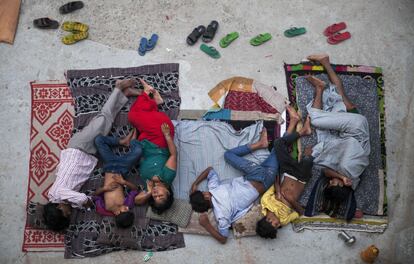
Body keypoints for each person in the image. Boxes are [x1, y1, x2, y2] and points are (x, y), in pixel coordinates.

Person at [44, 79, 139, 231]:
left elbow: (83, 199)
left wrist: (88, 204)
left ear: (60, 209)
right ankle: (123, 95)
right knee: (106, 123)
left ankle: (118, 88)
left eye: (67, 214)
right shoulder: (57, 196)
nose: (70, 214)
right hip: (84, 153)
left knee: (104, 119)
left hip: (80, 148)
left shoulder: (59, 194)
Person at [189, 129, 277, 244]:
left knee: (279, 148)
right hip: (258, 175)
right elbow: (209, 170)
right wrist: (195, 183)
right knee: (229, 154)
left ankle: (263, 144)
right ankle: (262, 144)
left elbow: (223, 238)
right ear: (205, 197)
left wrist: (207, 225)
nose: (205, 191)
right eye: (203, 192)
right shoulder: (216, 199)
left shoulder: (221, 215)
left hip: (262, 179)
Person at [305, 54, 370, 207]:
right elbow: (337, 145)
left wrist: (340, 176)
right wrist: (314, 151)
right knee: (315, 119)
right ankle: (320, 88)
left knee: (340, 94)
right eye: (332, 183)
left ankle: (325, 62)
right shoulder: (348, 169)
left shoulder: (350, 181)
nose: (330, 180)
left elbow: (326, 172)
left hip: (356, 126)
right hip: (355, 128)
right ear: (340, 185)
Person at [256, 105, 313, 239]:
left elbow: (274, 183)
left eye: (275, 225)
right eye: (277, 226)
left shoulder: (265, 203)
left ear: (269, 220)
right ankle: (306, 153)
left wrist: (279, 191)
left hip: (288, 172)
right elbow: (300, 212)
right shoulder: (284, 220)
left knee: (278, 144)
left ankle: (303, 131)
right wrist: (291, 200)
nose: (278, 224)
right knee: (308, 159)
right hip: (301, 178)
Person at [128, 79, 177, 214]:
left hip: (145, 139)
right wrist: (167, 136)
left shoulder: (149, 186)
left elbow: (136, 201)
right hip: (160, 135)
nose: (156, 194)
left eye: (155, 197)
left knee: (140, 118)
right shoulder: (167, 177)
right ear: (168, 191)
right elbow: (173, 154)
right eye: (160, 195)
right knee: (133, 116)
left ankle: (155, 102)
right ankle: (147, 92)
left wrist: (149, 192)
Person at [93, 128, 142, 228]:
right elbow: (135, 189)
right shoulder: (128, 203)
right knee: (138, 151)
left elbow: (95, 195)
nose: (127, 208)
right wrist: (123, 182)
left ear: (117, 213)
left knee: (98, 140)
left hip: (109, 165)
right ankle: (129, 141)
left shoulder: (105, 208)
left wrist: (104, 189)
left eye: (125, 210)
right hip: (122, 168)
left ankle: (122, 141)